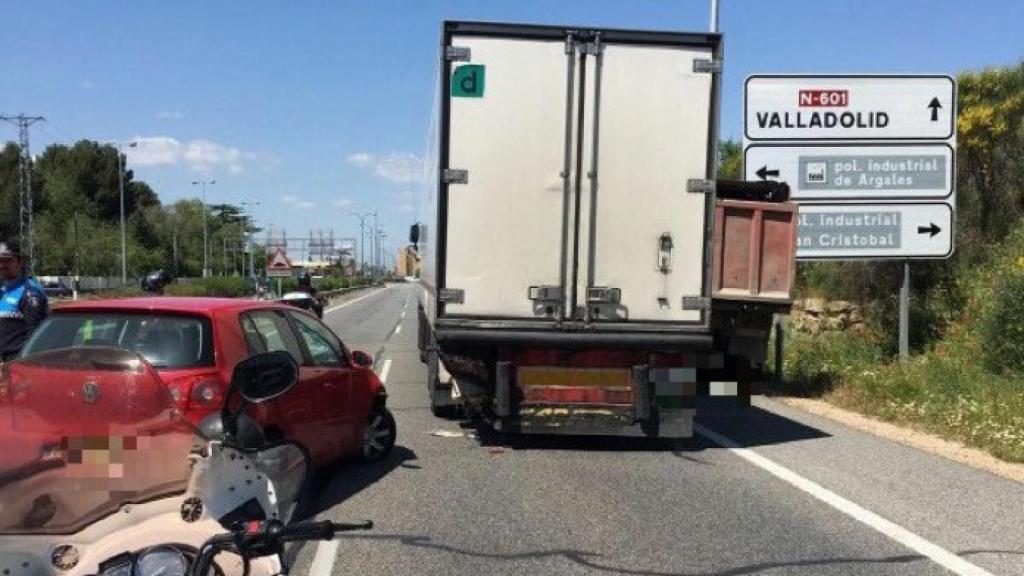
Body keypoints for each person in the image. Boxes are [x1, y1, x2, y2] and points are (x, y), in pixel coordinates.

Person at [0, 241, 49, 361]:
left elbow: (35, 336)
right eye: (0, 261)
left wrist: (18, 363)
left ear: (20, 262)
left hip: (19, 362)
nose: (2, 265)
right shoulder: (2, 291)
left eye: (7, 260)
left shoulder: (30, 292)